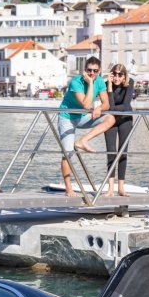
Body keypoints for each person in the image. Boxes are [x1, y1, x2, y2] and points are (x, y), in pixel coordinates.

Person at [57, 56, 115, 197]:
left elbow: (107, 104)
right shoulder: (76, 81)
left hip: (84, 117)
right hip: (67, 117)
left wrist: (99, 108)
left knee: (110, 118)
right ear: (84, 70)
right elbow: (85, 103)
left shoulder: (100, 81)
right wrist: (90, 83)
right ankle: (68, 189)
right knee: (68, 152)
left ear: (99, 71)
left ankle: (83, 141)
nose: (92, 73)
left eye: (95, 71)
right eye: (89, 70)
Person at [103, 64, 135, 197]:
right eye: (114, 74)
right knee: (111, 152)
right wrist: (109, 87)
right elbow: (110, 105)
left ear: (124, 76)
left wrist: (113, 108)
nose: (117, 77)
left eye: (120, 74)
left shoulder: (130, 83)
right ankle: (110, 189)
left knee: (123, 153)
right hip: (110, 120)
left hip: (125, 120)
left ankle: (121, 188)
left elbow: (127, 105)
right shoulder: (106, 84)